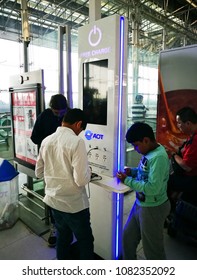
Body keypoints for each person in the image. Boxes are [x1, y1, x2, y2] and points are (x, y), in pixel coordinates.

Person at [35, 108, 94, 260]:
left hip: (54, 202)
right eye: (80, 130)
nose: (79, 133)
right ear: (78, 124)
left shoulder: (46, 140)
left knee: (63, 238)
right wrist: (88, 171)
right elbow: (81, 180)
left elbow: (38, 173)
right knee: (85, 241)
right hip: (74, 205)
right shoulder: (77, 142)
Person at [117, 122, 170, 259]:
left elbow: (152, 188)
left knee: (153, 251)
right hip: (141, 204)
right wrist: (132, 172)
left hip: (153, 208)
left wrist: (127, 181)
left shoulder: (158, 157)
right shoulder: (150, 151)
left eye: (136, 145)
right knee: (127, 239)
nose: (135, 149)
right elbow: (144, 172)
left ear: (146, 140)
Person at [31, 94, 69, 247]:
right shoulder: (44, 116)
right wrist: (50, 143)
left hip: (68, 161)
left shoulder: (71, 115)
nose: (59, 116)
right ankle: (55, 227)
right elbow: (34, 137)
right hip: (50, 163)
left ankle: (67, 225)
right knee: (52, 194)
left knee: (69, 192)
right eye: (56, 113)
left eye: (62, 113)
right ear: (50, 108)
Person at [167, 107, 197, 207]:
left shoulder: (196, 140)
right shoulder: (191, 135)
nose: (178, 126)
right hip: (189, 176)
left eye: (179, 123)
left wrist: (173, 154)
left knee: (165, 180)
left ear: (188, 123)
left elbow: (186, 166)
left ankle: (168, 210)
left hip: (193, 179)